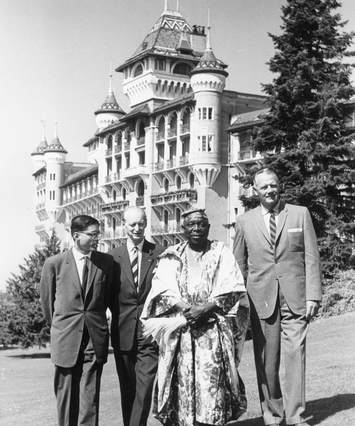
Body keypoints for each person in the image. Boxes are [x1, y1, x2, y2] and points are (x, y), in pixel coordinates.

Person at [141, 209, 249, 426]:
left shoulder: (220, 252)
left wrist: (206, 308)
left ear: (208, 228)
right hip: (182, 333)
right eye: (191, 225)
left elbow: (232, 285)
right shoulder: (172, 255)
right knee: (182, 383)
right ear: (183, 229)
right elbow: (163, 289)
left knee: (212, 383)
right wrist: (187, 308)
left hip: (212, 332)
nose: (197, 228)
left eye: (201, 224)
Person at [233, 168, 322, 426]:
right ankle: (273, 414)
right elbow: (239, 264)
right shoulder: (244, 221)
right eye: (264, 187)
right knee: (267, 362)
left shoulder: (299, 214)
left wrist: (312, 296)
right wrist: (240, 303)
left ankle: (295, 416)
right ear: (255, 191)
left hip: (296, 299)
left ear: (279, 185)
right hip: (260, 300)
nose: (270, 191)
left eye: (273, 185)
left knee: (296, 356)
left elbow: (311, 257)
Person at [40, 215, 114, 426]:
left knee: (89, 399)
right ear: (75, 236)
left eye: (98, 234)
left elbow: (106, 298)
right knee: (65, 398)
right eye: (92, 235)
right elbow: (47, 305)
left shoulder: (106, 263)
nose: (96, 239)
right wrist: (61, 327)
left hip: (94, 339)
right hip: (66, 339)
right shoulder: (54, 264)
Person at [109, 206, 164, 426]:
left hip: (149, 333)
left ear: (146, 223)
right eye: (132, 224)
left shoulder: (160, 253)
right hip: (122, 332)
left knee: (144, 387)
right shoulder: (112, 258)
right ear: (124, 225)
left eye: (141, 223)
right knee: (128, 390)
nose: (137, 228)